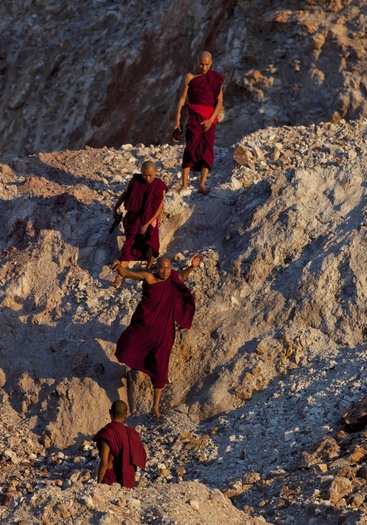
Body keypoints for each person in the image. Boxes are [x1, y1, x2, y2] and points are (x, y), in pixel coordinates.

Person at [115, 255, 201, 417]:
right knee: (125, 349)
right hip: (144, 328)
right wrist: (118, 267)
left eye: (168, 267)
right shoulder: (149, 277)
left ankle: (155, 407)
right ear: (156, 267)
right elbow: (127, 273)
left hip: (164, 333)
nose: (165, 271)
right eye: (162, 267)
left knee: (161, 369)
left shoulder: (173, 278)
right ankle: (138, 368)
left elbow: (182, 276)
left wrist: (192, 267)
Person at [174, 51, 224, 195]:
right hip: (194, 118)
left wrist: (211, 119)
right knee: (190, 148)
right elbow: (183, 99)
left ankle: (202, 183)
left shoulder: (216, 79)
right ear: (198, 62)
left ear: (211, 63)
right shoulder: (190, 77)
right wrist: (177, 118)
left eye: (207, 64)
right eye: (201, 64)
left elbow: (219, 102)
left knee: (207, 150)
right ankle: (184, 184)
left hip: (210, 119)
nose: (204, 67)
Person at [112, 160, 167, 288]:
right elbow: (126, 194)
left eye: (150, 175)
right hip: (133, 218)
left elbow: (159, 207)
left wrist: (146, 224)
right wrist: (116, 206)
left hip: (149, 219)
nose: (147, 178)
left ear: (155, 173)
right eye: (144, 175)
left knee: (150, 244)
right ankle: (120, 275)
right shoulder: (136, 182)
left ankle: (149, 264)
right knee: (128, 246)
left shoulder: (159, 185)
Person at [94, 400, 147, 488]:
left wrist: (99, 484)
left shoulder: (108, 433)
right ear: (126, 414)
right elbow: (140, 456)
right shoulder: (131, 433)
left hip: (110, 479)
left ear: (110, 412)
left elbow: (104, 462)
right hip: (127, 479)